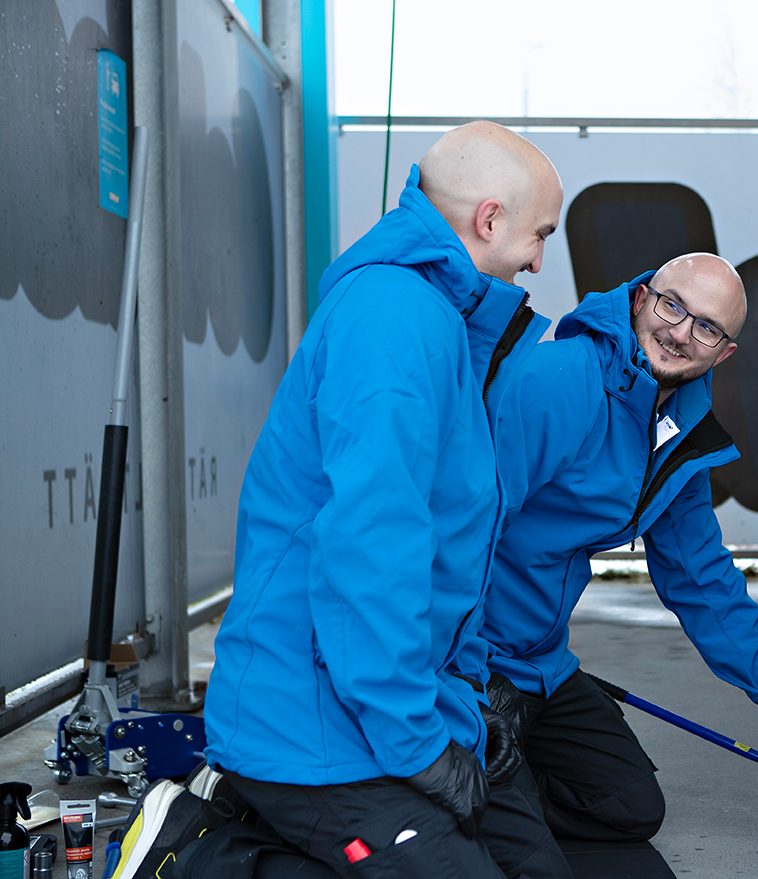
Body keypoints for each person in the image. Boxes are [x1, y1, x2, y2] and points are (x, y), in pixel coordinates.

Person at [112, 122, 572, 879]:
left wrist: (464, 698)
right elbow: (370, 555)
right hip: (315, 729)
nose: (539, 259)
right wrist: (421, 748)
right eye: (539, 234)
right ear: (489, 220)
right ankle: (200, 855)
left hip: (391, 703)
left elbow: (448, 552)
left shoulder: (439, 319)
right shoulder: (394, 320)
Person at [482, 253, 758, 845]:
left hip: (538, 664)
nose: (680, 334)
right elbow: (465, 530)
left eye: (707, 328)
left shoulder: (680, 433)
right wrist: (462, 675)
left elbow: (699, 574)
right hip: (473, 659)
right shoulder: (560, 381)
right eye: (674, 306)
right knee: (494, 836)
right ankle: (485, 793)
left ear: (723, 353)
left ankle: (504, 791)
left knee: (628, 807)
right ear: (642, 299)